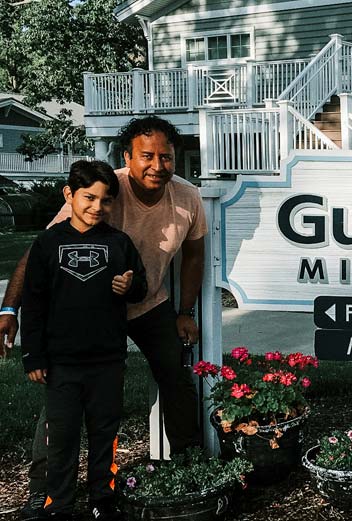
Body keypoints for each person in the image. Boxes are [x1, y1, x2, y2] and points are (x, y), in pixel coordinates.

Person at [0, 116, 207, 520]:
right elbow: (38, 255)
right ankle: (43, 492)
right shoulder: (103, 189)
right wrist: (10, 309)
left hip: (148, 304)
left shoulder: (188, 198)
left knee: (175, 377)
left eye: (166, 157)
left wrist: (185, 311)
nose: (157, 165)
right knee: (60, 400)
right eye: (146, 156)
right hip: (90, 317)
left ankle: (191, 469)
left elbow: (194, 255)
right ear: (127, 157)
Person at [22, 160, 147, 520]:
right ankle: (58, 503)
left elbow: (140, 284)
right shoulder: (47, 243)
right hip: (61, 363)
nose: (97, 207)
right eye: (88, 198)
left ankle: (100, 499)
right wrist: (33, 356)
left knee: (104, 434)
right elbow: (33, 304)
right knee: (60, 438)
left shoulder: (118, 242)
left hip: (107, 360)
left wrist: (131, 286)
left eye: (106, 200)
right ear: (69, 195)